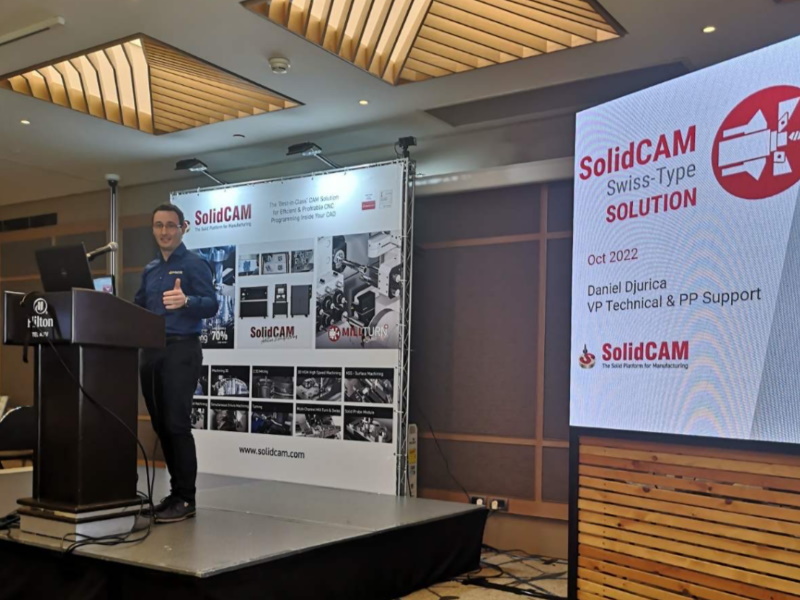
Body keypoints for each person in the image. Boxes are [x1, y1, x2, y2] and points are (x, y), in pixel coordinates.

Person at [135, 203, 218, 523]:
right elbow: (138, 308)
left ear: (183, 228)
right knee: (160, 425)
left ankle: (186, 498)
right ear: (153, 229)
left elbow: (212, 304)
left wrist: (187, 301)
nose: (165, 231)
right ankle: (175, 494)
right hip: (151, 353)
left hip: (181, 351)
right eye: (159, 225)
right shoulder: (150, 269)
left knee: (176, 424)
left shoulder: (195, 264)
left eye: (171, 225)